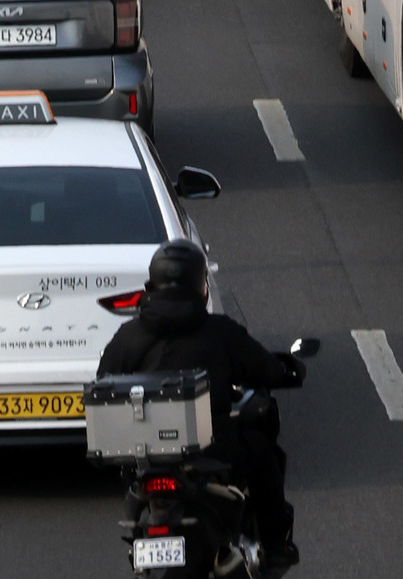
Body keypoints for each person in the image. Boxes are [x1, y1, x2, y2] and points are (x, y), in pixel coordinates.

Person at [97, 240, 298, 561]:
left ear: (152, 286)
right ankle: (276, 545)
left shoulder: (129, 335)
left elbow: (104, 381)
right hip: (213, 451)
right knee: (262, 452)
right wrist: (287, 370)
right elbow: (265, 369)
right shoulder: (221, 331)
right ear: (202, 287)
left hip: (145, 457)